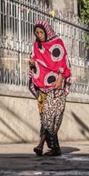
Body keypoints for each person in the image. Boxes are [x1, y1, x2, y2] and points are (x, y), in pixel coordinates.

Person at [28, 19, 72, 157]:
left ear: (47, 31)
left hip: (56, 86)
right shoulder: (37, 45)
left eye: (41, 32)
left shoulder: (57, 43)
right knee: (45, 117)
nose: (39, 35)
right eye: (37, 33)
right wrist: (32, 63)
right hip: (41, 85)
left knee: (52, 116)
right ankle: (55, 148)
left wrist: (60, 76)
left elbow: (63, 61)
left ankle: (40, 145)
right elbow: (35, 59)